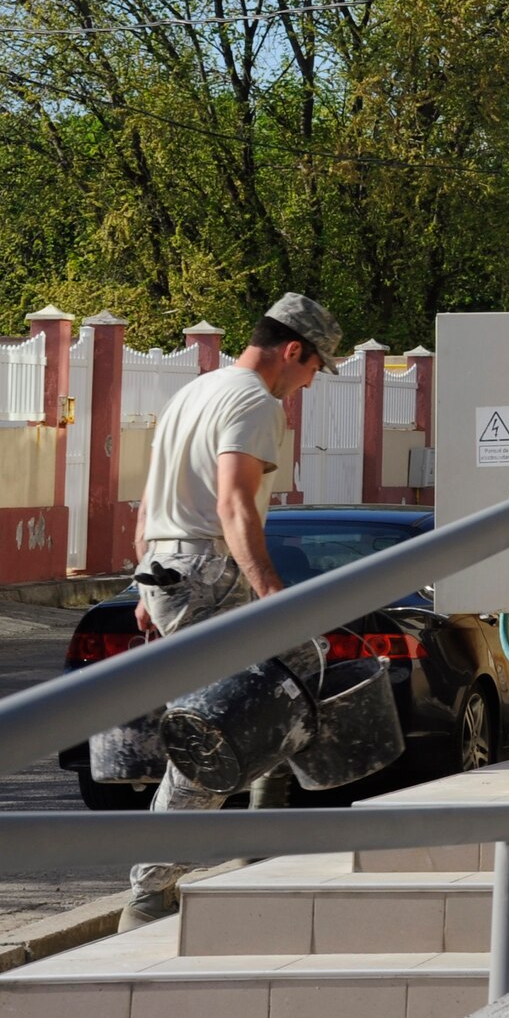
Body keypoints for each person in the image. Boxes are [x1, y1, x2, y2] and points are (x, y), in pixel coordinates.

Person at [120, 293, 341, 931]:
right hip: (209, 571)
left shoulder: (194, 393)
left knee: (294, 672)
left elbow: (146, 504)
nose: (308, 383)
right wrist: (271, 591)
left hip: (168, 567)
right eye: (314, 368)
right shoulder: (255, 402)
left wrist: (143, 587)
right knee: (221, 729)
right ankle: (149, 891)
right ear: (293, 350)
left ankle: (260, 831)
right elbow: (233, 504)